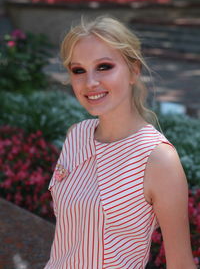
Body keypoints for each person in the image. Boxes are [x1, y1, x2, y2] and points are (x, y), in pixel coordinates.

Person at [44, 16, 196, 269]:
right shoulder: (76, 135)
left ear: (133, 71)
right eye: (78, 70)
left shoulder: (158, 159)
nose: (90, 82)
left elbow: (180, 263)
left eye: (104, 66)